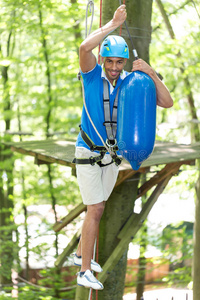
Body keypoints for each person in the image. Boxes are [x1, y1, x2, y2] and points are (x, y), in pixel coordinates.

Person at [73, 4, 173, 290]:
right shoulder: (91, 75)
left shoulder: (132, 83)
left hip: (111, 157)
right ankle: (83, 271)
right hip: (88, 152)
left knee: (99, 208)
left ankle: (81, 253)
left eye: (120, 62)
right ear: (103, 61)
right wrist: (113, 25)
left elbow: (167, 102)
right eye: (110, 62)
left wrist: (151, 73)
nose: (115, 68)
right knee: (95, 209)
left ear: (125, 63)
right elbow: (84, 47)